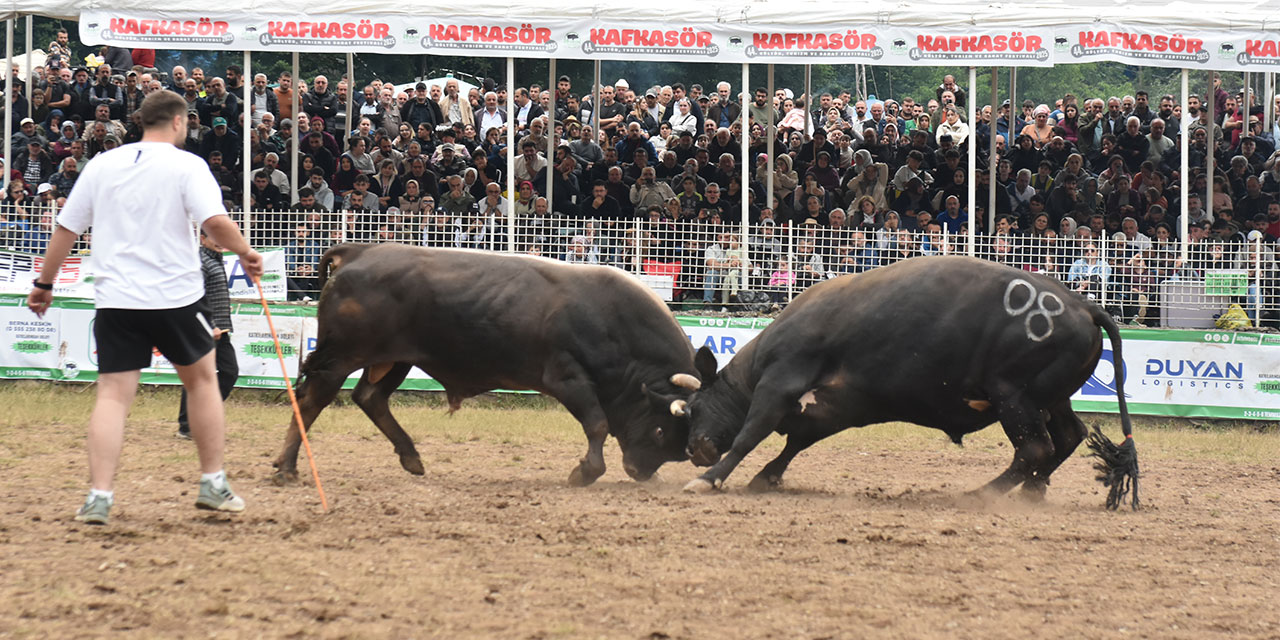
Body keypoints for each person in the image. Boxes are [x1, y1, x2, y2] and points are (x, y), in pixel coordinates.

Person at [26, 91, 263, 525]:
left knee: (112, 396)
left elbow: (66, 228)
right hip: (176, 298)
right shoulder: (188, 165)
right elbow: (214, 222)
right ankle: (213, 483)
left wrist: (44, 283)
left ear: (141, 121)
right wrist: (246, 252)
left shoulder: (102, 164)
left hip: (116, 300)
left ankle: (99, 497)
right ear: (178, 122)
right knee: (203, 383)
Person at [176, 230, 239, 438]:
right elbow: (195, 297)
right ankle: (187, 425)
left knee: (229, 372)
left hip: (222, 330)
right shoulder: (200, 262)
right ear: (203, 239)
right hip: (204, 330)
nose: (219, 242)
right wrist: (210, 324)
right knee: (196, 377)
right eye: (214, 238)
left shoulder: (216, 260)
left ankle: (203, 414)